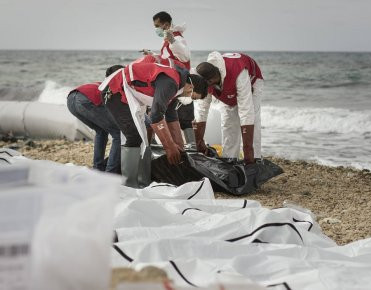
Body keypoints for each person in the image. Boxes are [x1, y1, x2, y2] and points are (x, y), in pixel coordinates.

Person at [100, 61, 208, 188]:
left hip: (128, 93)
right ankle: (129, 185)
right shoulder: (171, 83)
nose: (190, 100)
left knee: (144, 140)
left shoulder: (177, 87)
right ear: (191, 87)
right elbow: (156, 115)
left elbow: (171, 116)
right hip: (114, 90)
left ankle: (143, 182)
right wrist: (169, 146)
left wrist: (178, 146)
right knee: (134, 136)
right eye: (193, 97)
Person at [194, 52, 264, 164]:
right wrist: (199, 141)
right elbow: (201, 111)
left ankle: (255, 158)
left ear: (211, 81)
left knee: (252, 118)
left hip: (251, 81)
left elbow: (246, 111)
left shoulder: (239, 73)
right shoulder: (205, 80)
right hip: (226, 84)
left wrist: (247, 149)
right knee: (228, 121)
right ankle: (230, 158)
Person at [143, 11, 195, 145]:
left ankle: (176, 146)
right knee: (170, 111)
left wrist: (172, 40)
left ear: (166, 25)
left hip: (175, 81)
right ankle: (177, 146)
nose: (156, 29)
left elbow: (185, 56)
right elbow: (168, 60)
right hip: (172, 80)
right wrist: (153, 55)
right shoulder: (167, 39)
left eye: (157, 26)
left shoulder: (176, 38)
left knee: (161, 110)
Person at [66, 65, 123, 173]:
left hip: (71, 99)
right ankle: (110, 173)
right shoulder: (115, 86)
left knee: (101, 131)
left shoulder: (101, 83)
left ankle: (98, 169)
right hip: (85, 100)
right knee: (118, 133)